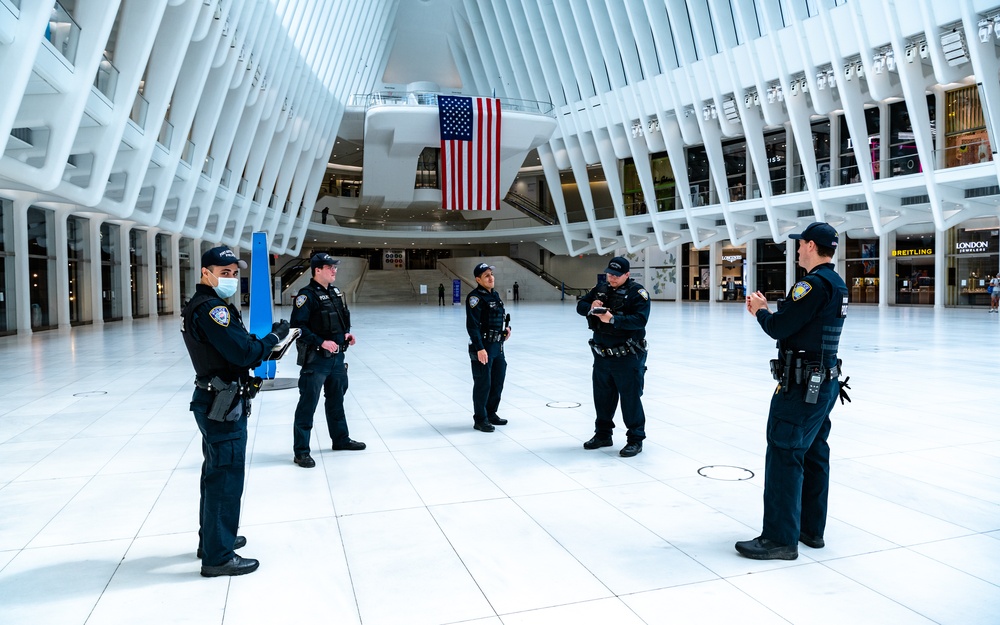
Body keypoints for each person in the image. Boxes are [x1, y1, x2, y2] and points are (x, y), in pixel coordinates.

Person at [738, 222, 850, 560]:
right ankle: (810, 530)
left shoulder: (812, 285)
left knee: (785, 453)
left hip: (801, 389)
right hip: (824, 384)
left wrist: (760, 311)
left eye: (801, 244)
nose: (798, 249)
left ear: (813, 246)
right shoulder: (837, 284)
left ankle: (779, 538)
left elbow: (779, 327)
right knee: (814, 454)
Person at [181, 246, 290, 577]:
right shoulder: (214, 310)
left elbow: (236, 351)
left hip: (216, 400)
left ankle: (213, 540)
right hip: (222, 405)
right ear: (205, 273)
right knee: (225, 479)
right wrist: (274, 337)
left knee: (216, 473)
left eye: (234, 273)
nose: (230, 278)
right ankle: (218, 557)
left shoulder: (208, 306)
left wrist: (262, 348)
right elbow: (243, 353)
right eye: (223, 272)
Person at [290, 253, 365, 468]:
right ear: (317, 270)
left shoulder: (335, 293)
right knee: (308, 404)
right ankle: (301, 451)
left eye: (335, 267)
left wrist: (346, 335)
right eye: (329, 267)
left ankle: (340, 439)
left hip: (337, 359)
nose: (334, 270)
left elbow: (340, 321)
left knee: (336, 401)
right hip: (316, 360)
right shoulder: (306, 296)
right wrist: (321, 342)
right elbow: (298, 328)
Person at [576, 256, 650, 457]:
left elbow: (640, 320)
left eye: (617, 275)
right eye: (610, 274)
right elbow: (579, 306)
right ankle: (603, 435)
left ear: (627, 274)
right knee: (602, 398)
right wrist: (592, 305)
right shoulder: (600, 288)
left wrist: (613, 319)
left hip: (627, 356)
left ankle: (635, 439)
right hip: (601, 356)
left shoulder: (638, 293)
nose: (612, 278)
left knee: (630, 399)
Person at [466, 262, 512, 432]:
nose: (491, 277)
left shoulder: (495, 295)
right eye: (486, 275)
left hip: (497, 347)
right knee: (483, 383)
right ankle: (480, 419)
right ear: (478, 279)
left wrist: (505, 332)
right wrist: (479, 348)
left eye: (491, 274)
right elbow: (472, 326)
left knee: (497, 381)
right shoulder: (475, 298)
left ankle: (491, 413)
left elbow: (496, 320)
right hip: (483, 347)